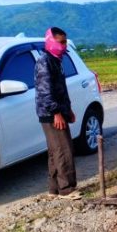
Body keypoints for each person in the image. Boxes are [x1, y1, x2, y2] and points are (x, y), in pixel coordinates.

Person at [35, 27, 81, 200]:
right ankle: (66, 189)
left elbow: (60, 89)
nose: (63, 46)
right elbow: (45, 91)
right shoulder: (44, 61)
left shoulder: (56, 60)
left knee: (55, 151)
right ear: (51, 41)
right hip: (50, 113)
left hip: (58, 110)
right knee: (63, 149)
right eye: (60, 42)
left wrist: (68, 110)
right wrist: (56, 113)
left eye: (65, 42)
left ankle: (54, 188)